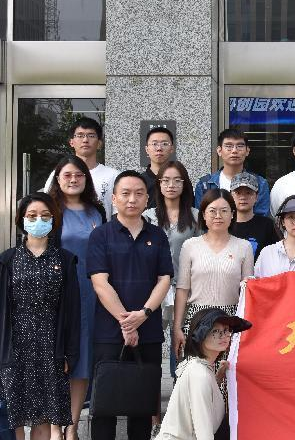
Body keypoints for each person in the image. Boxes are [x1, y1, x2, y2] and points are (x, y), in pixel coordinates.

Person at [88, 170, 173, 440]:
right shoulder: (101, 235)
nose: (132, 199)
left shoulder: (157, 235)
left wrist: (144, 314)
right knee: (104, 406)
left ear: (148, 199)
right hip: (108, 332)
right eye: (125, 193)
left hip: (148, 331)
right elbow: (100, 283)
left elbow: (164, 279)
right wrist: (127, 322)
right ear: (114, 198)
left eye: (139, 194)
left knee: (142, 405)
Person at [0, 193, 80, 440]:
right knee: (15, 415)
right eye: (32, 215)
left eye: (45, 216)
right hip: (16, 347)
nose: (38, 220)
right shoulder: (8, 260)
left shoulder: (65, 260)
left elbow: (72, 311)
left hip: (51, 347)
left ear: (53, 220)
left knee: (45, 416)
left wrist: (69, 352)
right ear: (21, 220)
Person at [45, 156, 106, 440]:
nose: (73, 179)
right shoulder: (49, 210)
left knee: (81, 360)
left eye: (79, 175)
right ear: (57, 179)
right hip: (57, 293)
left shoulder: (97, 211)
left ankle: (71, 428)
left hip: (91, 293)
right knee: (57, 359)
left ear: (86, 179)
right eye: (67, 175)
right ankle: (55, 428)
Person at [174, 189, 254, 357]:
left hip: (229, 320)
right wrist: (177, 326)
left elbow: (248, 291)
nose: (218, 216)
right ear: (203, 214)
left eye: (224, 211)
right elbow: (182, 289)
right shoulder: (190, 245)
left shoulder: (244, 247)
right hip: (197, 318)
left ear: (232, 214)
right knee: (197, 369)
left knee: (226, 371)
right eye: (212, 211)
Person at [142, 161, 199, 379]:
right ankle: (150, 390)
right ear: (158, 184)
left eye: (177, 180)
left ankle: (179, 386)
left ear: (185, 184)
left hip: (185, 287)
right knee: (151, 338)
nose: (171, 185)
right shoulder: (148, 216)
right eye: (165, 180)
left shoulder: (196, 216)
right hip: (154, 288)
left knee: (181, 339)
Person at [157, 308, 251, 440]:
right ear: (201, 336)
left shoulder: (201, 366)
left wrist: (218, 377)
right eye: (215, 331)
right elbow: (203, 433)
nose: (223, 336)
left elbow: (205, 393)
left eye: (226, 330)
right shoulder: (200, 374)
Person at [43, 118, 120, 217]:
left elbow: (118, 213)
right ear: (71, 142)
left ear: (99, 143)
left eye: (91, 136)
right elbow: (47, 207)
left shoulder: (113, 175)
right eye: (80, 135)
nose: (85, 140)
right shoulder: (59, 174)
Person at [194, 129, 270, 216]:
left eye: (240, 146)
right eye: (229, 146)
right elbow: (201, 219)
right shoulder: (204, 184)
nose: (234, 151)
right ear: (219, 151)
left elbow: (261, 219)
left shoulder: (260, 183)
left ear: (247, 151)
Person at [229, 172, 279, 260]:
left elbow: (276, 256)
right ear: (231, 196)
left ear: (256, 197)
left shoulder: (267, 225)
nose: (243, 197)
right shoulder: (224, 225)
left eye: (248, 193)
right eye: (238, 193)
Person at [140, 127, 175, 209]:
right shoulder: (139, 182)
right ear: (147, 149)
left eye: (164, 144)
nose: (159, 148)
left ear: (172, 149)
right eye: (154, 144)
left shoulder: (180, 181)